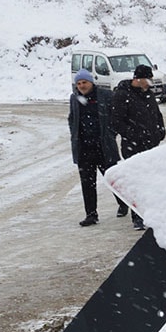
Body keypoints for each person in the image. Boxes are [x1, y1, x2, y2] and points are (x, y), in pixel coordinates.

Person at [68, 69, 129, 227]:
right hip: (84, 148)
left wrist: (111, 133)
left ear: (91, 82)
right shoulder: (74, 98)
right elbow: (72, 119)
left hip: (104, 146)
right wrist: (75, 135)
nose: (82, 86)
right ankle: (91, 214)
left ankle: (123, 204)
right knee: (87, 183)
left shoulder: (105, 95)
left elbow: (116, 116)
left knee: (112, 178)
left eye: (84, 82)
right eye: (79, 83)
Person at [112, 64, 166, 230]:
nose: (150, 83)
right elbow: (116, 122)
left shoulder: (148, 95)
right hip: (133, 147)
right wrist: (134, 135)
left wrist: (160, 131)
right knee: (136, 183)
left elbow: (157, 115)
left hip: (151, 145)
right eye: (148, 79)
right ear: (139, 79)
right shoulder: (122, 95)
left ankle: (151, 214)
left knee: (150, 183)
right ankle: (138, 217)